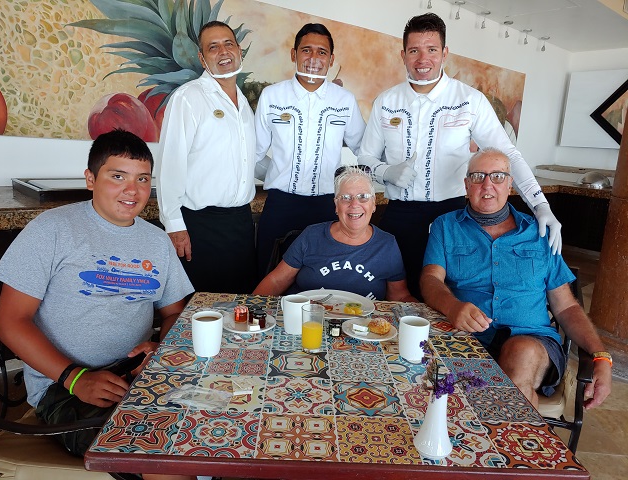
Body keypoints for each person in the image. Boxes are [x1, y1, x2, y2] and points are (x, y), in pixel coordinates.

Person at [0, 130, 195, 480]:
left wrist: (160, 349)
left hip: (135, 373)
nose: (132, 190)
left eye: (142, 179)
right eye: (118, 176)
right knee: (160, 453)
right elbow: (10, 321)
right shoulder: (51, 230)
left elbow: (174, 312)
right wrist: (76, 379)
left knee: (218, 417)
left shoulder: (157, 241)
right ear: (90, 179)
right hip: (63, 387)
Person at [357, 12, 562, 298]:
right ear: (403, 55)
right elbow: (364, 159)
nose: (423, 59)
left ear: (444, 53)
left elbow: (508, 155)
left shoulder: (469, 100)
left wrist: (540, 204)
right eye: (414, 50)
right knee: (393, 295)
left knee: (445, 297)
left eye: (431, 50)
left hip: (451, 216)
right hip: (399, 215)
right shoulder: (386, 101)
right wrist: (385, 172)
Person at [419, 148, 611, 408]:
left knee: (520, 353)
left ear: (510, 185)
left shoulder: (539, 232)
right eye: (478, 176)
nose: (487, 184)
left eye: (498, 176)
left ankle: (509, 431)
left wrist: (600, 356)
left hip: (532, 341)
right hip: (466, 338)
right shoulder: (446, 226)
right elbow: (430, 279)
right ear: (466, 185)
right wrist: (453, 307)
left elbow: (566, 306)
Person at [254, 23, 366, 279]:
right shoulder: (272, 96)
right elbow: (254, 153)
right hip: (281, 205)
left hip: (327, 205)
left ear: (331, 59)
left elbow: (364, 148)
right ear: (294, 54)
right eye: (306, 50)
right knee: (269, 276)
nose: (314, 58)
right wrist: (275, 172)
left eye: (322, 52)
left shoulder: (344, 100)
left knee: (322, 278)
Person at [157, 20, 256, 294]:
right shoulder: (188, 98)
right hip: (201, 225)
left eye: (228, 44)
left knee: (239, 304)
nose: (223, 51)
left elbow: (249, 158)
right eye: (213, 47)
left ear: (239, 51)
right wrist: (174, 225)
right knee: (201, 308)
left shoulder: (243, 102)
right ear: (202, 58)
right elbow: (169, 164)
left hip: (241, 223)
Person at [254, 166, 415, 302]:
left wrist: (424, 318)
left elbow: (399, 296)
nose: (354, 204)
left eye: (363, 197)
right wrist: (251, 309)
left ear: (373, 204)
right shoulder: (311, 235)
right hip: (306, 321)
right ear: (336, 206)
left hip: (363, 326)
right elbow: (276, 281)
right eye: (346, 198)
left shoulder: (387, 244)